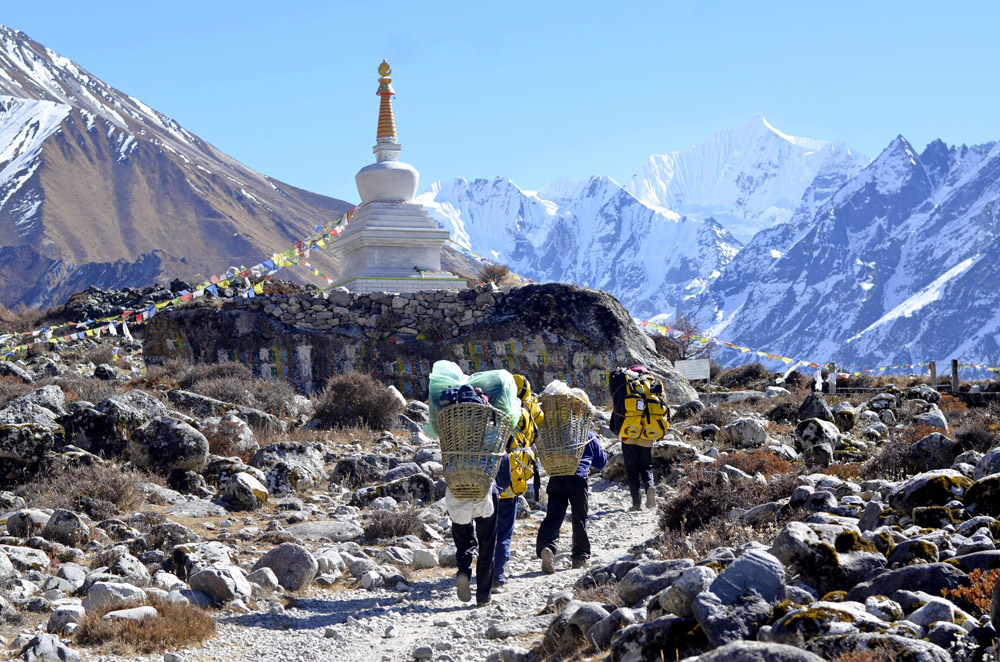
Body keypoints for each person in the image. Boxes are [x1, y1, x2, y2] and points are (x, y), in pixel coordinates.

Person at [492, 374, 541, 593]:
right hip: (511, 483)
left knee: (486, 533)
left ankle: (482, 573)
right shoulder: (523, 412)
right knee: (504, 534)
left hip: (486, 484)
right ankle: (498, 579)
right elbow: (532, 437)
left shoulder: (488, 410)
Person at [536, 430, 607, 573]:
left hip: (556, 478)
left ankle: (547, 547)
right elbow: (601, 463)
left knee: (553, 517)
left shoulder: (555, 433)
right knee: (579, 518)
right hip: (578, 480)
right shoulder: (588, 435)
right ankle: (579, 558)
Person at [450, 453, 511, 607]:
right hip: (487, 497)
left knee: (463, 540)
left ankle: (464, 570)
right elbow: (505, 480)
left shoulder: (453, 446)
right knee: (487, 545)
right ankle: (483, 597)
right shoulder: (495, 445)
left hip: (458, 494)